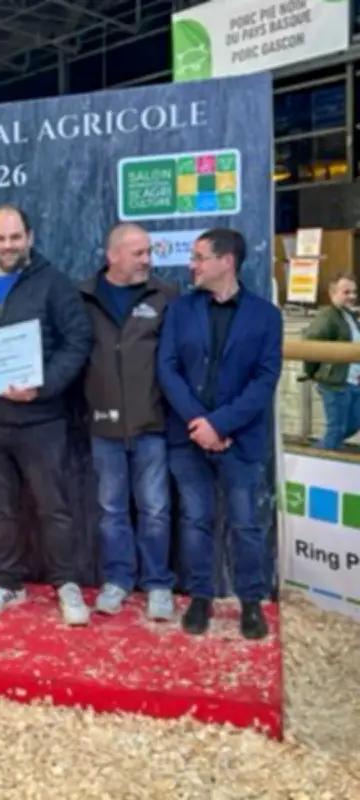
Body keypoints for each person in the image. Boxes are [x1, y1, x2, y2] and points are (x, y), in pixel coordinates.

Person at [0, 204, 92, 626]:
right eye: (0, 239)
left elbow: (77, 342)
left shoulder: (54, 284)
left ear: (29, 238)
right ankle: (7, 581)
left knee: (55, 509)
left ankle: (66, 584)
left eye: (15, 238)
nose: (7, 246)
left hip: (41, 421)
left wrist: (43, 386)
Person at [157, 228, 282, 639]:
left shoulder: (266, 316)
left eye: (199, 257)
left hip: (240, 441)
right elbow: (167, 369)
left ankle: (250, 602)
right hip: (189, 439)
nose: (191, 264)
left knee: (247, 524)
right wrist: (200, 424)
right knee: (196, 521)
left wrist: (221, 425)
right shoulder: (180, 309)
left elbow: (265, 381)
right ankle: (199, 598)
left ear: (226, 261)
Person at [79, 223, 178, 620]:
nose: (147, 260)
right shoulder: (82, 297)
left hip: (150, 422)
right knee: (111, 509)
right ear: (113, 255)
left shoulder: (166, 295)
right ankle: (118, 580)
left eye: (148, 252)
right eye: (138, 253)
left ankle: (158, 584)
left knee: (155, 508)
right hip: (102, 425)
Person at [302, 273, 360, 450]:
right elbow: (310, 348)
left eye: (354, 292)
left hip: (353, 381)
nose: (352, 296)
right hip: (335, 383)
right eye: (346, 292)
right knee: (336, 429)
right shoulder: (327, 318)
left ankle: (326, 453)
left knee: (351, 425)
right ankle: (318, 461)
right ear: (333, 293)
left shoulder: (349, 316)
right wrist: (314, 374)